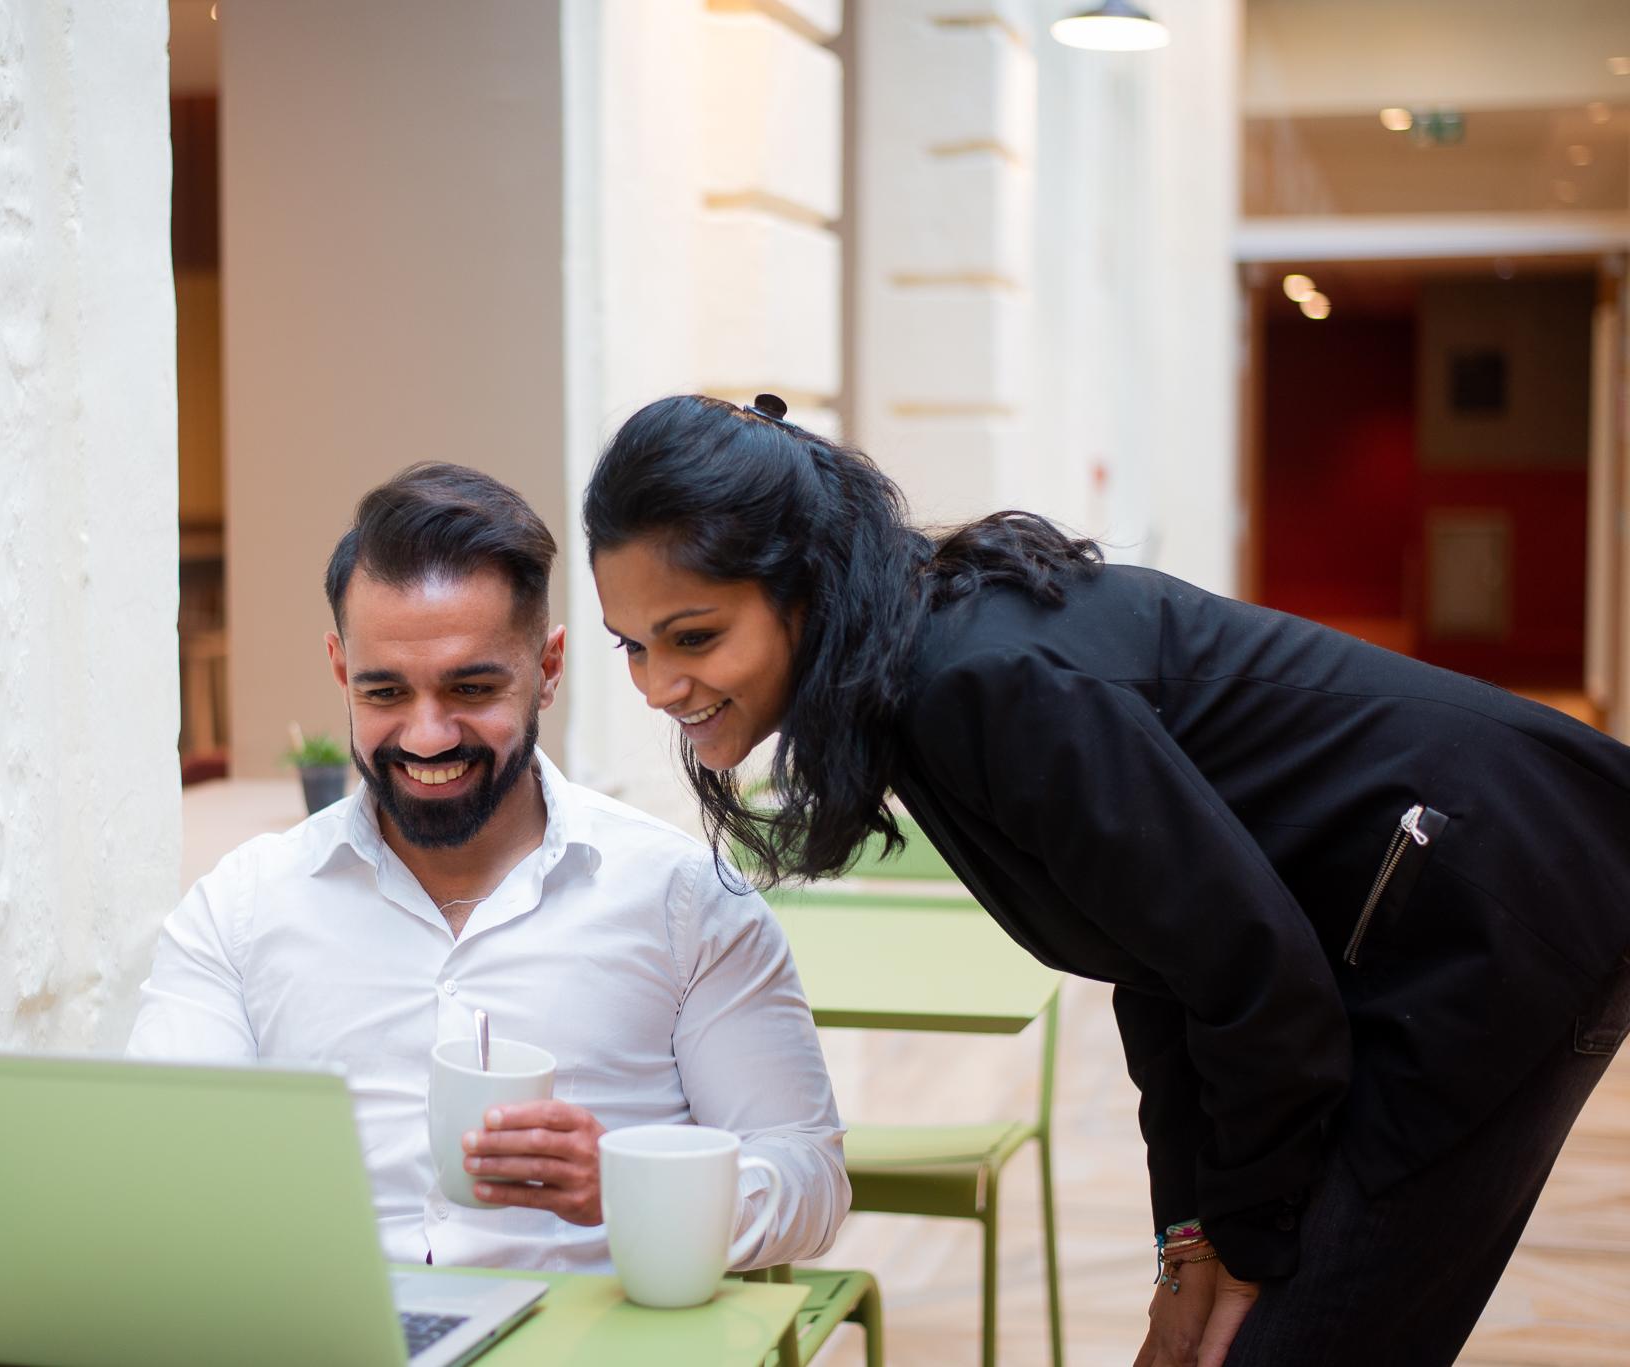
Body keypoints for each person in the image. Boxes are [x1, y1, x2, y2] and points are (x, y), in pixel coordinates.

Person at [581, 392, 1630, 1367]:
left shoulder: (973, 681)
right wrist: (1189, 1240)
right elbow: (1162, 963)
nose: (658, 683)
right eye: (630, 644)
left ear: (802, 585)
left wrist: (1242, 1244)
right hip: (1426, 902)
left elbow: (1250, 977)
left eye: (694, 636)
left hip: (1506, 888)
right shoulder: (914, 670)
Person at [128, 461, 848, 1274]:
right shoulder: (240, 910)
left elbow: (810, 1176)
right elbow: (167, 1156)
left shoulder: (685, 903)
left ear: (547, 668)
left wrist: (633, 1186)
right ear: (340, 670)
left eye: (470, 687)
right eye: (385, 692)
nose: (428, 735)